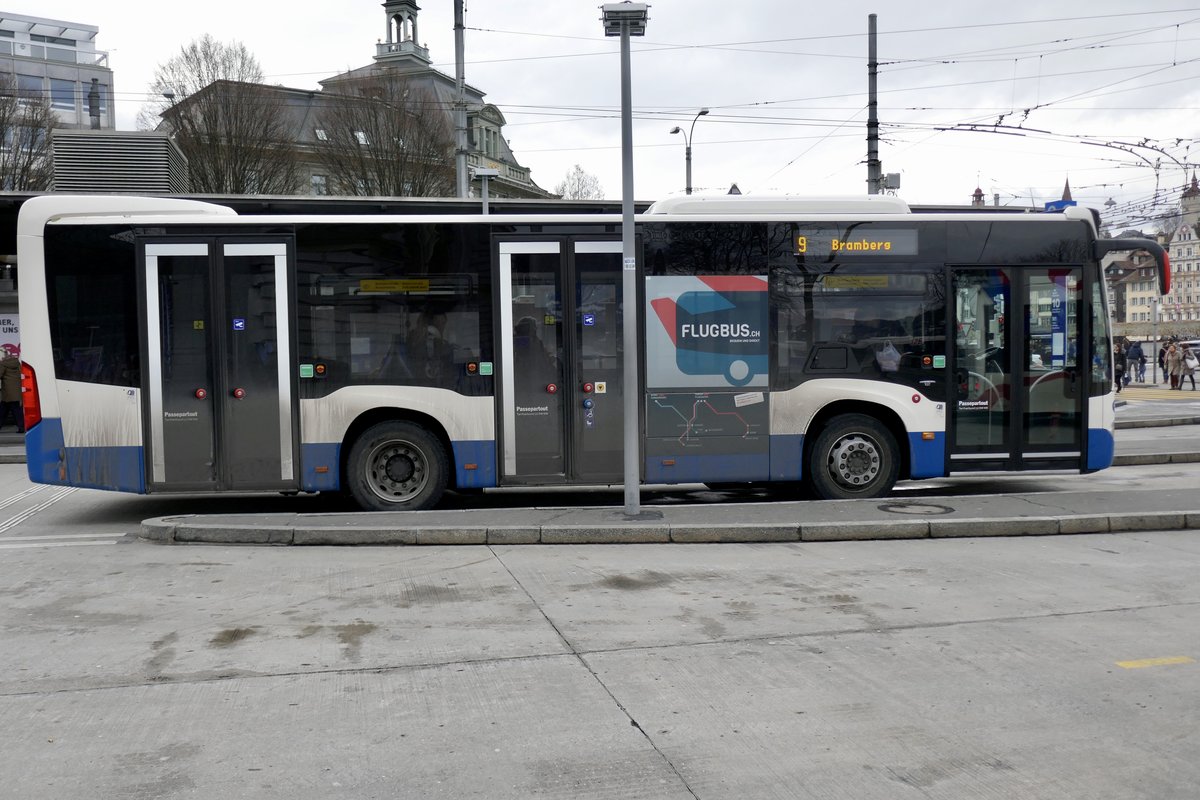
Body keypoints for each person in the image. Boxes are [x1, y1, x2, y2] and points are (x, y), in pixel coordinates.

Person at [0, 346, 22, 433]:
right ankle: (21, 427)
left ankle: (21, 427)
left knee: (3, 410)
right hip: (16, 390)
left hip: (8, 392)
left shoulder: (3, 364)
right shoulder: (16, 362)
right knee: (15, 410)